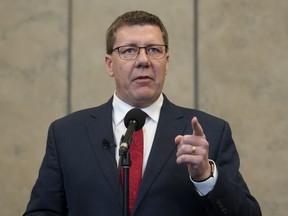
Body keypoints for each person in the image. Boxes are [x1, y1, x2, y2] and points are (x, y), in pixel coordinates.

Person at [23, 10, 261, 216]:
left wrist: (206, 177)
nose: (143, 60)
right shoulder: (67, 133)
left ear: (166, 62)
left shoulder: (209, 132)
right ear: (109, 64)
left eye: (154, 50)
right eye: (129, 51)